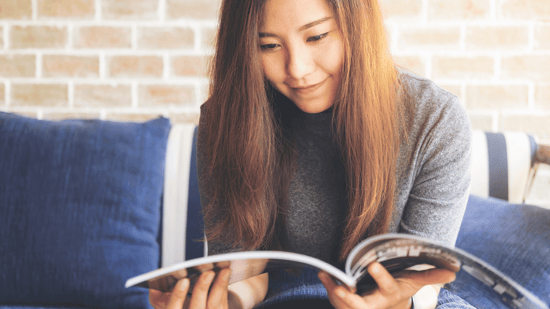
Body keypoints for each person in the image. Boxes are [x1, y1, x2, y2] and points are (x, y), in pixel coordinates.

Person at [150, 0, 474, 308]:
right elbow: (244, 276)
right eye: (269, 45)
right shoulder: (227, 121)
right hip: (277, 296)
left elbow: (426, 283)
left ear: (357, 26)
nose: (298, 69)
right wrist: (222, 300)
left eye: (316, 36)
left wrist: (401, 303)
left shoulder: (435, 120)